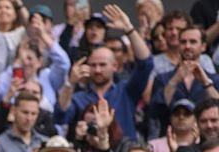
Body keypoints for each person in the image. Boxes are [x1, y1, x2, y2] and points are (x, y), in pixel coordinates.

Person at [55, 5, 153, 141]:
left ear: (115, 66)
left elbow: (146, 64)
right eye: (93, 65)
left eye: (102, 65)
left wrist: (129, 30)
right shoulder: (80, 98)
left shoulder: (125, 90)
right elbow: (61, 115)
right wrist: (70, 83)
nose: (97, 70)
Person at [150, 25, 219, 132]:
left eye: (193, 42)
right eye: (183, 42)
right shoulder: (162, 78)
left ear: (203, 46)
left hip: (205, 139)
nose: (187, 46)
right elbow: (155, 110)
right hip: (171, 137)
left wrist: (205, 82)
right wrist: (174, 80)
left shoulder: (214, 79)